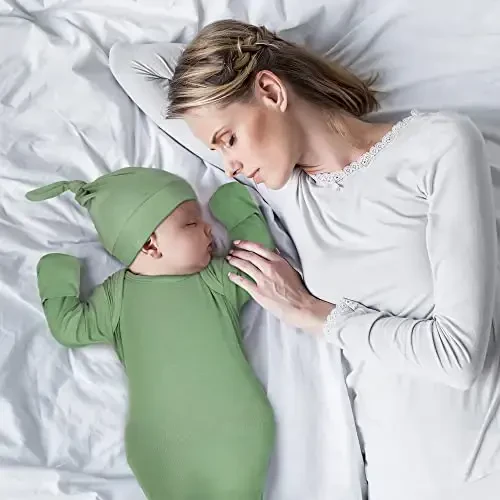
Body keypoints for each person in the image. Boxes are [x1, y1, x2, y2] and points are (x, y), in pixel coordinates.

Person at [165, 19, 500, 500]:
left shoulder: (437, 145)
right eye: (216, 150)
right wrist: (242, 54)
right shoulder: (291, 196)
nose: (230, 167)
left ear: (270, 91)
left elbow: (458, 357)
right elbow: (132, 65)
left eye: (229, 139)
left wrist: (315, 314)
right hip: (398, 484)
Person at [26, 167, 276, 500]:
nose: (208, 229)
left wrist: (237, 210)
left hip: (233, 426)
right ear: (150, 245)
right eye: (191, 223)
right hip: (161, 442)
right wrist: (57, 279)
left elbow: (257, 266)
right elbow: (71, 328)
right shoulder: (117, 296)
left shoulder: (214, 279)